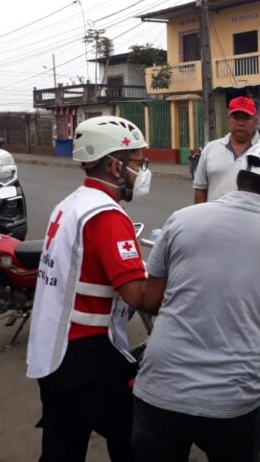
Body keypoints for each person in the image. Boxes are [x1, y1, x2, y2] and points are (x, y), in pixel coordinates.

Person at [131, 142, 260, 462]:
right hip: (233, 400)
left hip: (161, 388)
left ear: (241, 177)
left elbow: (150, 300)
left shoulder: (182, 219)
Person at [26, 116, 158, 462]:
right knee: (134, 434)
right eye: (137, 162)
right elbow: (138, 296)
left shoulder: (71, 204)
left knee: (62, 445)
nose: (142, 171)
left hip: (52, 351)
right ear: (115, 166)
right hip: (85, 355)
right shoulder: (107, 216)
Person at [192, 96, 260, 203]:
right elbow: (201, 189)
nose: (241, 123)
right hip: (215, 218)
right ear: (228, 120)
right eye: (236, 117)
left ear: (256, 121)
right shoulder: (210, 149)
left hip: (253, 219)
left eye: (246, 118)